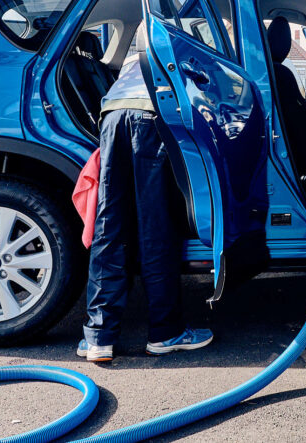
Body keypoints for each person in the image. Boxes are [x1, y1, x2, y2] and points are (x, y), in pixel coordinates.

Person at [77, 40, 212, 362]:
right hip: (151, 116)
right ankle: (165, 333)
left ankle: (98, 338)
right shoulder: (185, 42)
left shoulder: (134, 55)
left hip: (112, 115)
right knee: (156, 227)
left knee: (109, 226)